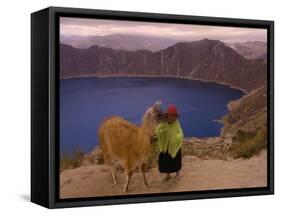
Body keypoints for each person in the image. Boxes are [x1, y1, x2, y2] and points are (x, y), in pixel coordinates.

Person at [155, 104, 184, 181]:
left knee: (176, 160)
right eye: (171, 115)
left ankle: (177, 174)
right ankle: (168, 175)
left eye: (174, 116)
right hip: (166, 145)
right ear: (167, 115)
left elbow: (180, 133)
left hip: (174, 145)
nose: (173, 117)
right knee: (166, 161)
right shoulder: (163, 123)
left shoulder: (176, 123)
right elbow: (158, 131)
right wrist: (163, 131)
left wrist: (174, 138)